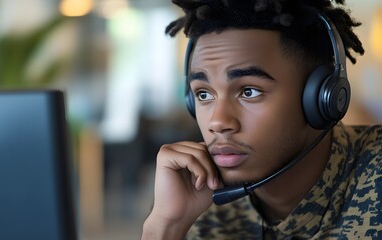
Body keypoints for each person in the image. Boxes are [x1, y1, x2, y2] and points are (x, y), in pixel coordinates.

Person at [142, 0, 381, 239]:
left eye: (249, 91)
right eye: (203, 94)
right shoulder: (192, 202)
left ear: (320, 98)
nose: (217, 122)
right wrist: (166, 225)